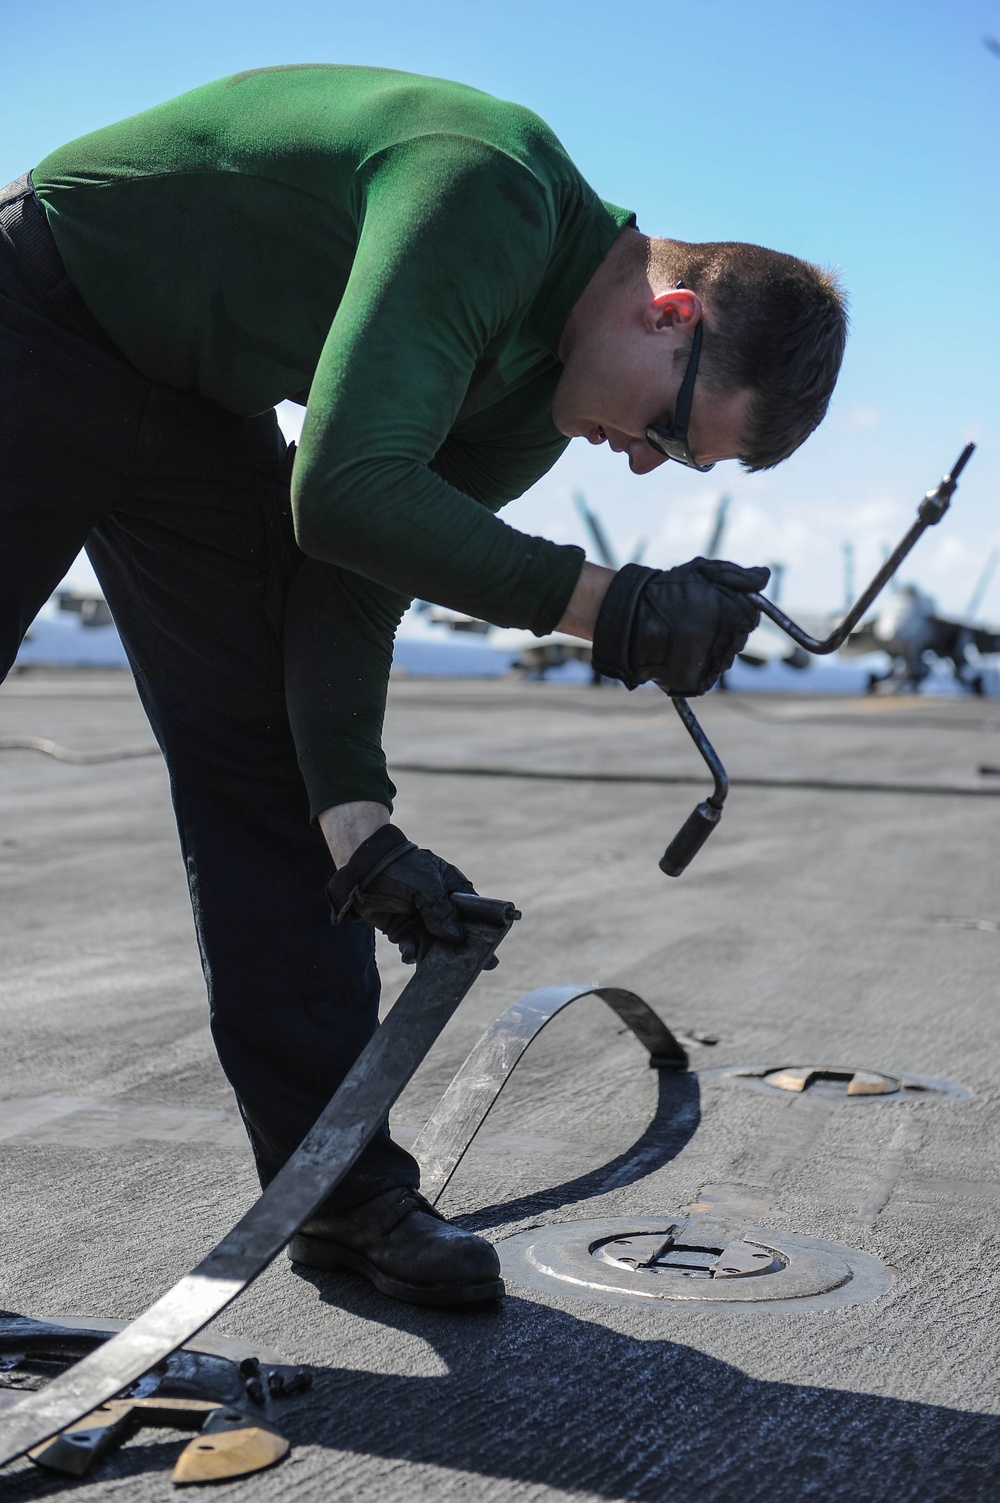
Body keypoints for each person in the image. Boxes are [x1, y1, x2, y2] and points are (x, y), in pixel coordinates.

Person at [0, 64, 847, 1308]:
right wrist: (611, 607)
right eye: (671, 432)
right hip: (35, 311)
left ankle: (343, 1198)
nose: (646, 466)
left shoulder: (527, 406)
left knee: (271, 779)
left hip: (192, 404)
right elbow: (342, 487)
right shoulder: (486, 184)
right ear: (669, 316)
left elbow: (348, 574)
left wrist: (360, 824)